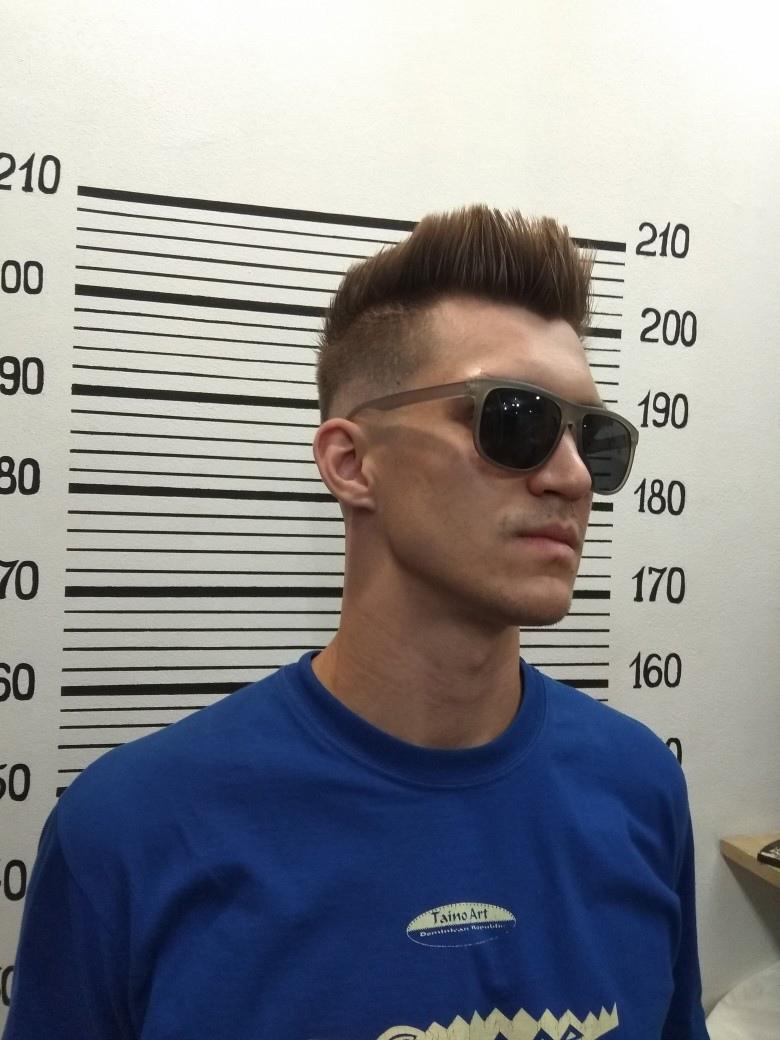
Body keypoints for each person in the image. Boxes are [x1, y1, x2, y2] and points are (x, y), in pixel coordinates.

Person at [2, 205, 709, 1040]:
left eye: (595, 440)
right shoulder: (130, 834)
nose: (573, 478)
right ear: (351, 463)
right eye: (514, 419)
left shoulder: (639, 789)